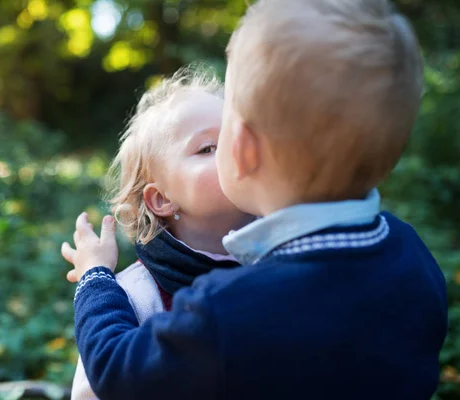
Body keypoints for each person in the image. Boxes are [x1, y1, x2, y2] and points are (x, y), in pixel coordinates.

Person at [63, 1, 448, 399]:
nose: (217, 145)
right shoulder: (412, 255)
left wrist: (94, 274)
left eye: (223, 131)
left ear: (243, 149)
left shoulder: (227, 311)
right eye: (204, 146)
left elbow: (113, 368)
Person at [62, 69, 254, 400]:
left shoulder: (290, 257)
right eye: (208, 148)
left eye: (239, 135)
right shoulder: (139, 295)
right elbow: (93, 390)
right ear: (161, 199)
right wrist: (96, 275)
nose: (233, 150)